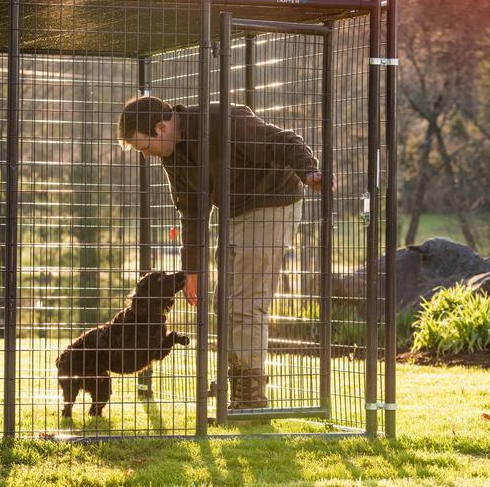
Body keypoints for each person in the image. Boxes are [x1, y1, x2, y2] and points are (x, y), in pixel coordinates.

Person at [117, 96, 331, 410]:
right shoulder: (172, 156)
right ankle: (238, 379)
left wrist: (309, 172)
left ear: (160, 128)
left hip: (273, 201)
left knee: (246, 301)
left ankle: (250, 393)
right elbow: (191, 212)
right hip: (236, 211)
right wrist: (192, 271)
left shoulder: (219, 120)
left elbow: (284, 141)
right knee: (223, 302)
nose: (146, 156)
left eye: (143, 147)